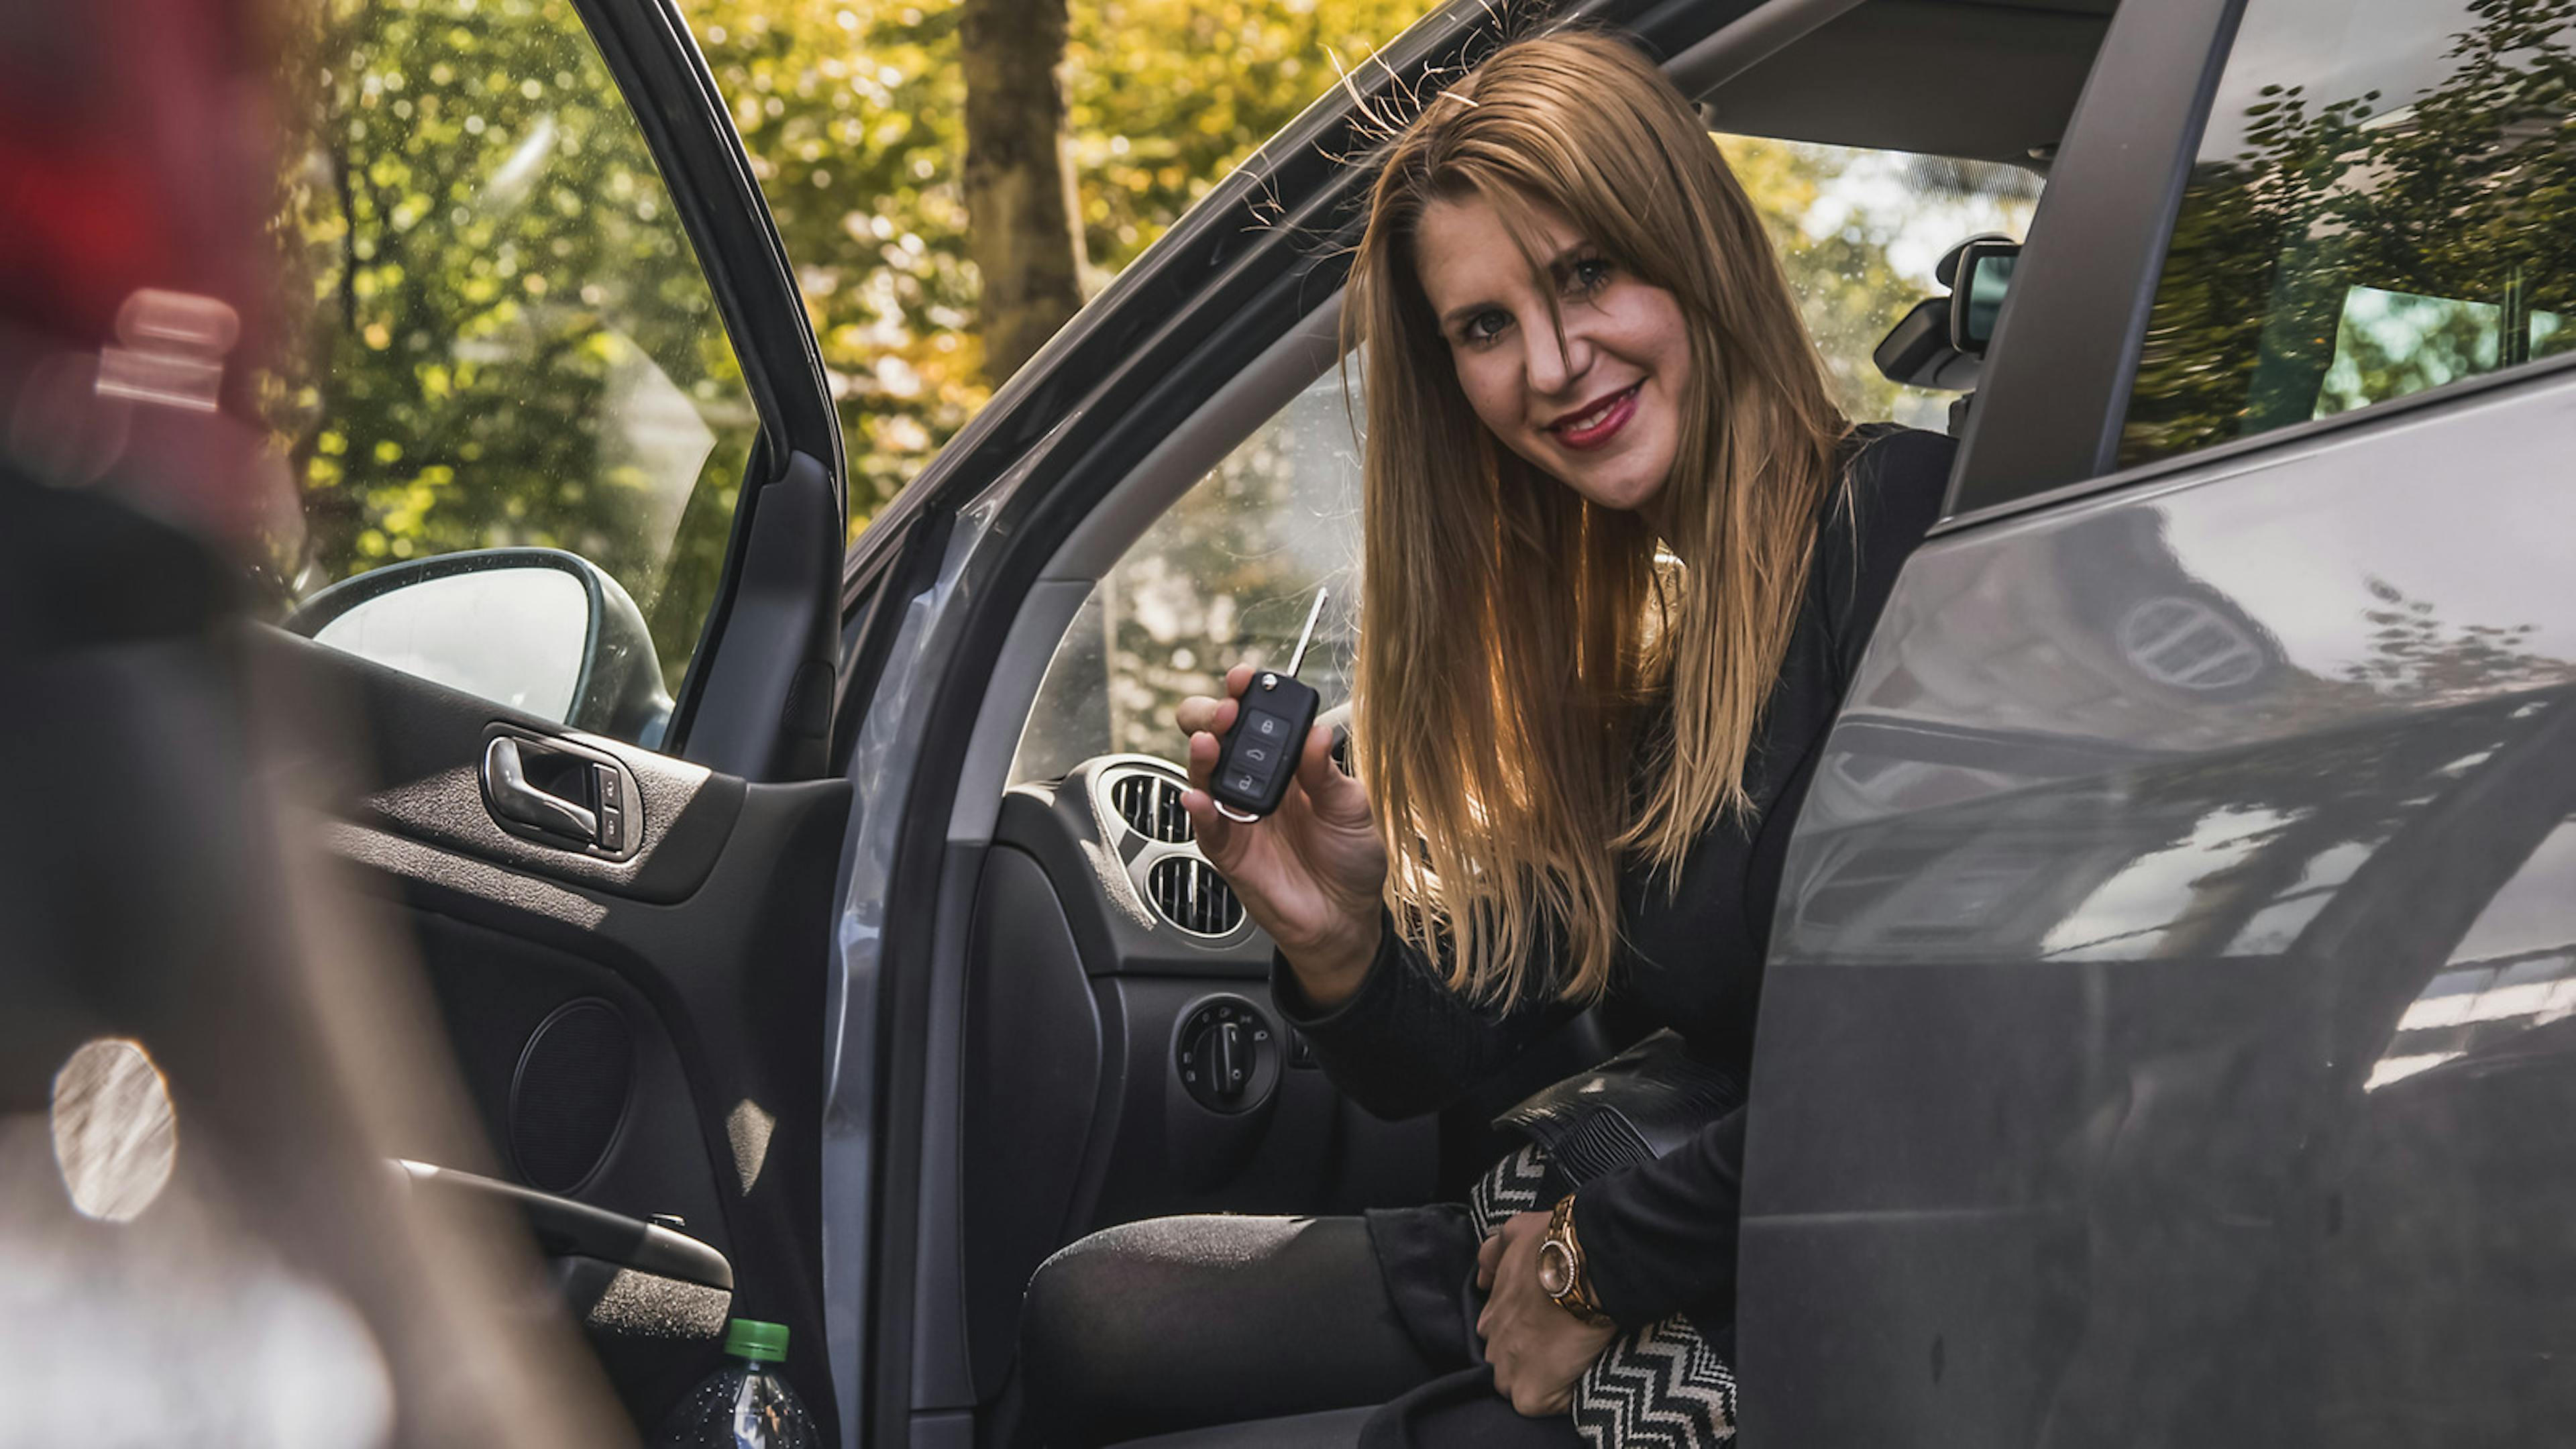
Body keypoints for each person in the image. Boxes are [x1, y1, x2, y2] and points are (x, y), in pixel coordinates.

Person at [1017, 27, 1957, 1447]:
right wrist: (1337, 935)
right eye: (1484, 327)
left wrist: (1596, 1263)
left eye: (1587, 274)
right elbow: (1452, 1057)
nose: (1555, 364)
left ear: (1696, 249)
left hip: (1824, 1274)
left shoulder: (1896, 531)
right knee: (1101, 1314)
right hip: (1665, 1215)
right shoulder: (1651, 643)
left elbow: (1934, 1057)